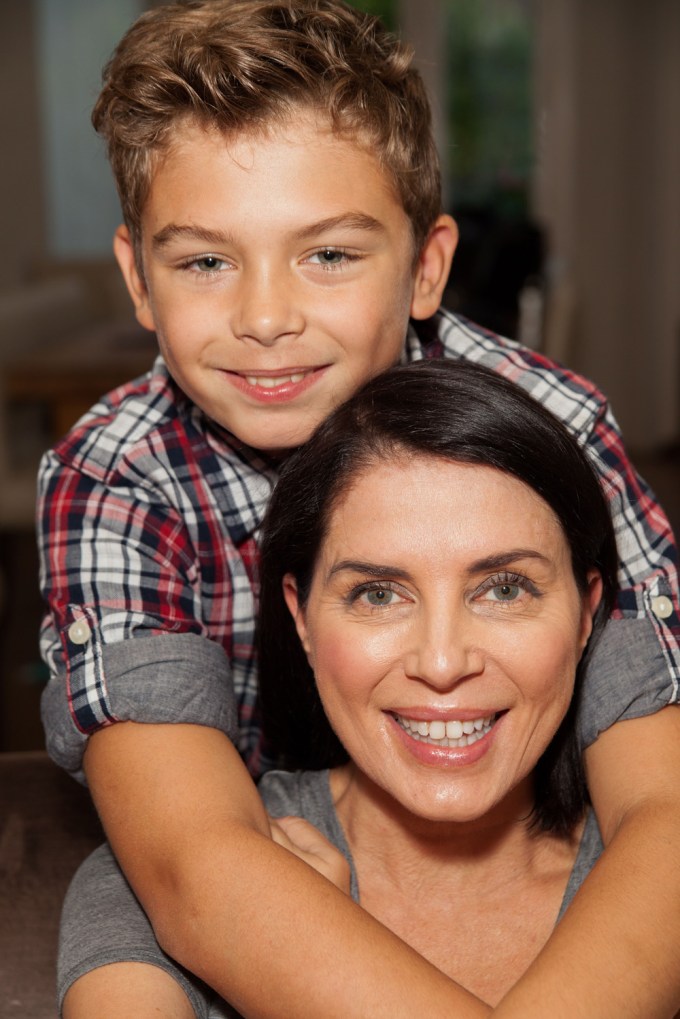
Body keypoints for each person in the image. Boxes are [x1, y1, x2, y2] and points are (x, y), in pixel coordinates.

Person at [37, 1, 680, 1017]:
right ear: (139, 280)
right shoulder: (118, 476)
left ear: (426, 266)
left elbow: (660, 799)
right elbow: (197, 862)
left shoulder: (547, 420)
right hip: (260, 833)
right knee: (121, 888)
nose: (263, 318)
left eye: (328, 254)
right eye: (204, 261)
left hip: (507, 787)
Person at [56, 360, 673, 1018]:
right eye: (377, 594)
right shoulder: (146, 889)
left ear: (587, 615)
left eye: (504, 588)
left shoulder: (655, 887)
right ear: (301, 617)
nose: (441, 661)